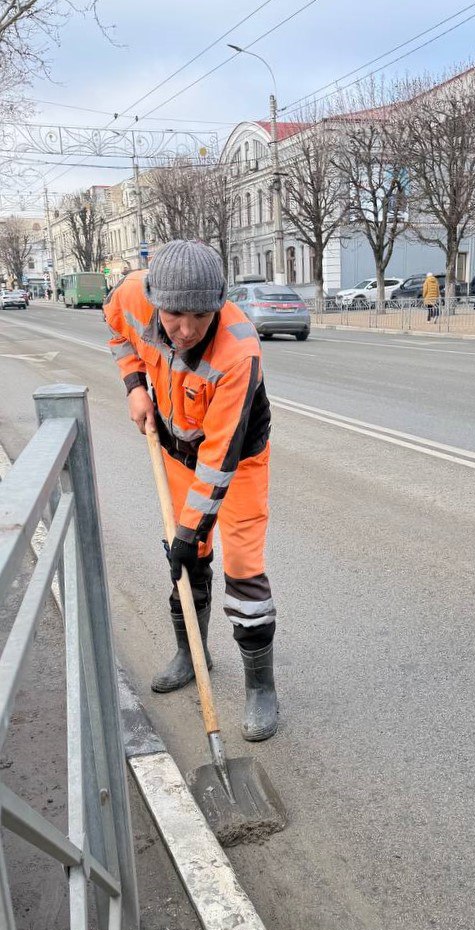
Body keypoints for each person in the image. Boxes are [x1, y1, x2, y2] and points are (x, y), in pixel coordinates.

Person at [103, 239, 278, 742]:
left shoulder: (238, 351)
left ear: (219, 302)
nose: (184, 329)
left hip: (237, 462)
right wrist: (135, 384)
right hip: (177, 450)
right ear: (156, 297)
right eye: (174, 314)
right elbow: (115, 328)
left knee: (242, 570)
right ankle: (190, 653)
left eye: (199, 316)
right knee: (185, 560)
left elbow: (220, 461)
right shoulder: (135, 294)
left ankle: (260, 689)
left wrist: (188, 530)